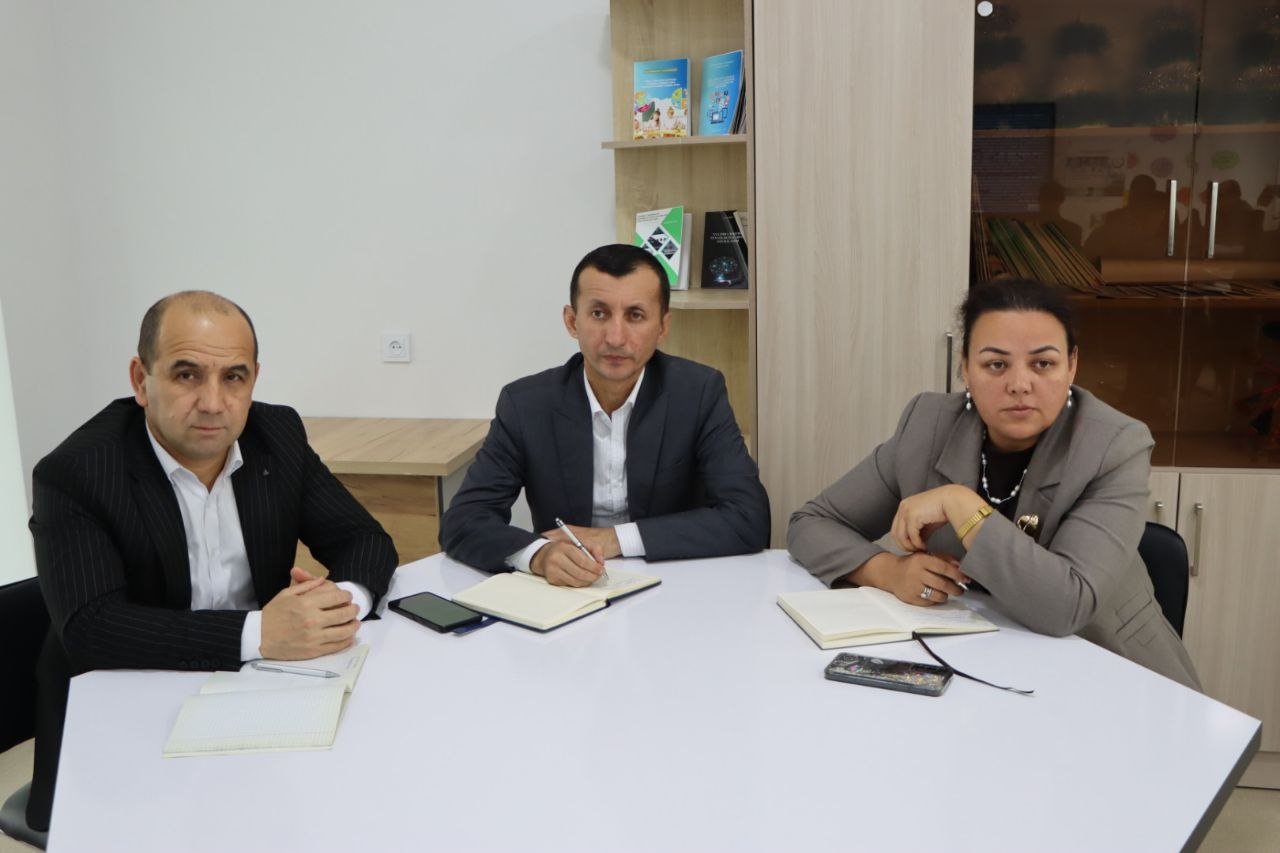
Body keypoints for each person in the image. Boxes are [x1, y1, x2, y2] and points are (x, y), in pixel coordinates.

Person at [26, 291, 398, 829]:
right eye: (186, 375)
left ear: (254, 381)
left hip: (257, 696)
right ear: (140, 380)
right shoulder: (77, 472)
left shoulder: (276, 435)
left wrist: (340, 605)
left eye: (234, 377)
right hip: (126, 716)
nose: (213, 402)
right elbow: (91, 627)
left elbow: (363, 538)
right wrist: (261, 633)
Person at [786, 279, 1200, 690]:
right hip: (983, 668)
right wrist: (888, 571)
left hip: (1112, 674)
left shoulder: (1114, 445)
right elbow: (812, 523)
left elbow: (1067, 605)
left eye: (1043, 364)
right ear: (965, 367)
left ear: (1072, 365)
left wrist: (961, 504)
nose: (1020, 384)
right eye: (996, 365)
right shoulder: (927, 424)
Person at [439, 243, 769, 586]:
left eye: (635, 315)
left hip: (675, 586)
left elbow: (749, 518)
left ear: (662, 326)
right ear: (572, 321)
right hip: (568, 592)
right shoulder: (525, 404)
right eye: (599, 314)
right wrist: (538, 555)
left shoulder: (698, 393)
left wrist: (614, 539)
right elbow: (463, 520)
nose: (615, 337)